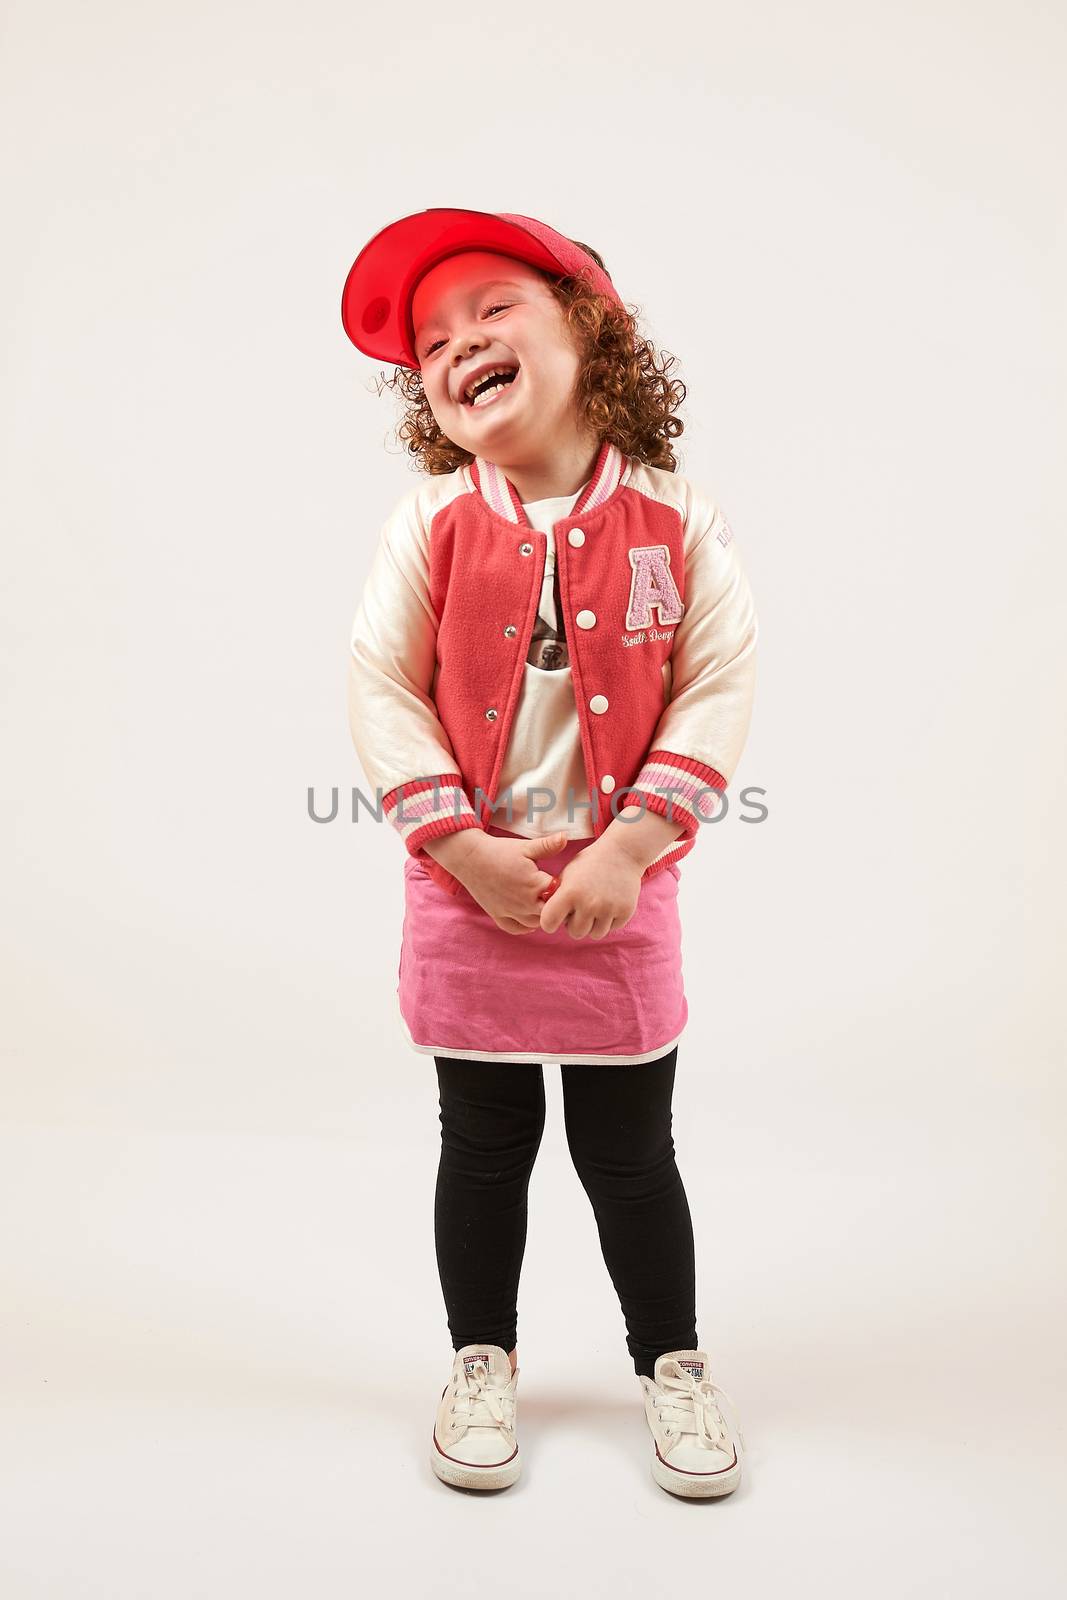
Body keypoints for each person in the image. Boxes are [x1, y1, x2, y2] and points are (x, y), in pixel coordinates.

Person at [341, 210, 756, 1498]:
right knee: (482, 1142)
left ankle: (673, 1364)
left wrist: (633, 845)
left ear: (587, 324)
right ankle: (480, 1359)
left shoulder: (679, 521)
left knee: (631, 1153)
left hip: (617, 886)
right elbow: (379, 684)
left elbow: (717, 680)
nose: (459, 342)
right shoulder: (429, 524)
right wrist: (459, 850)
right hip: (469, 890)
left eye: (492, 309)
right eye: (431, 338)